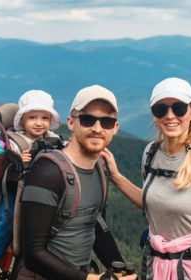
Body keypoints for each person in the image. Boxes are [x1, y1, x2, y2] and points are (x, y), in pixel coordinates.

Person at [101, 77, 191, 279]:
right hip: (157, 267)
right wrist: (116, 177)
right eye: (161, 109)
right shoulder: (151, 153)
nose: (170, 116)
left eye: (178, 108)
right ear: (154, 114)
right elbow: (153, 203)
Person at [17, 85, 137, 280]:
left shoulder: (100, 168)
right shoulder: (48, 173)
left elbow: (95, 224)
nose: (97, 129)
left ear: (115, 128)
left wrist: (120, 270)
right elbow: (33, 254)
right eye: (88, 120)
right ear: (71, 122)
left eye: (106, 122)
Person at [0, 90, 61, 280]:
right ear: (22, 120)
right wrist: (18, 160)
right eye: (33, 117)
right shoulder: (12, 140)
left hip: (44, 192)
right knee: (9, 216)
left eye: (45, 117)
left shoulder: (55, 140)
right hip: (15, 191)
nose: (39, 122)